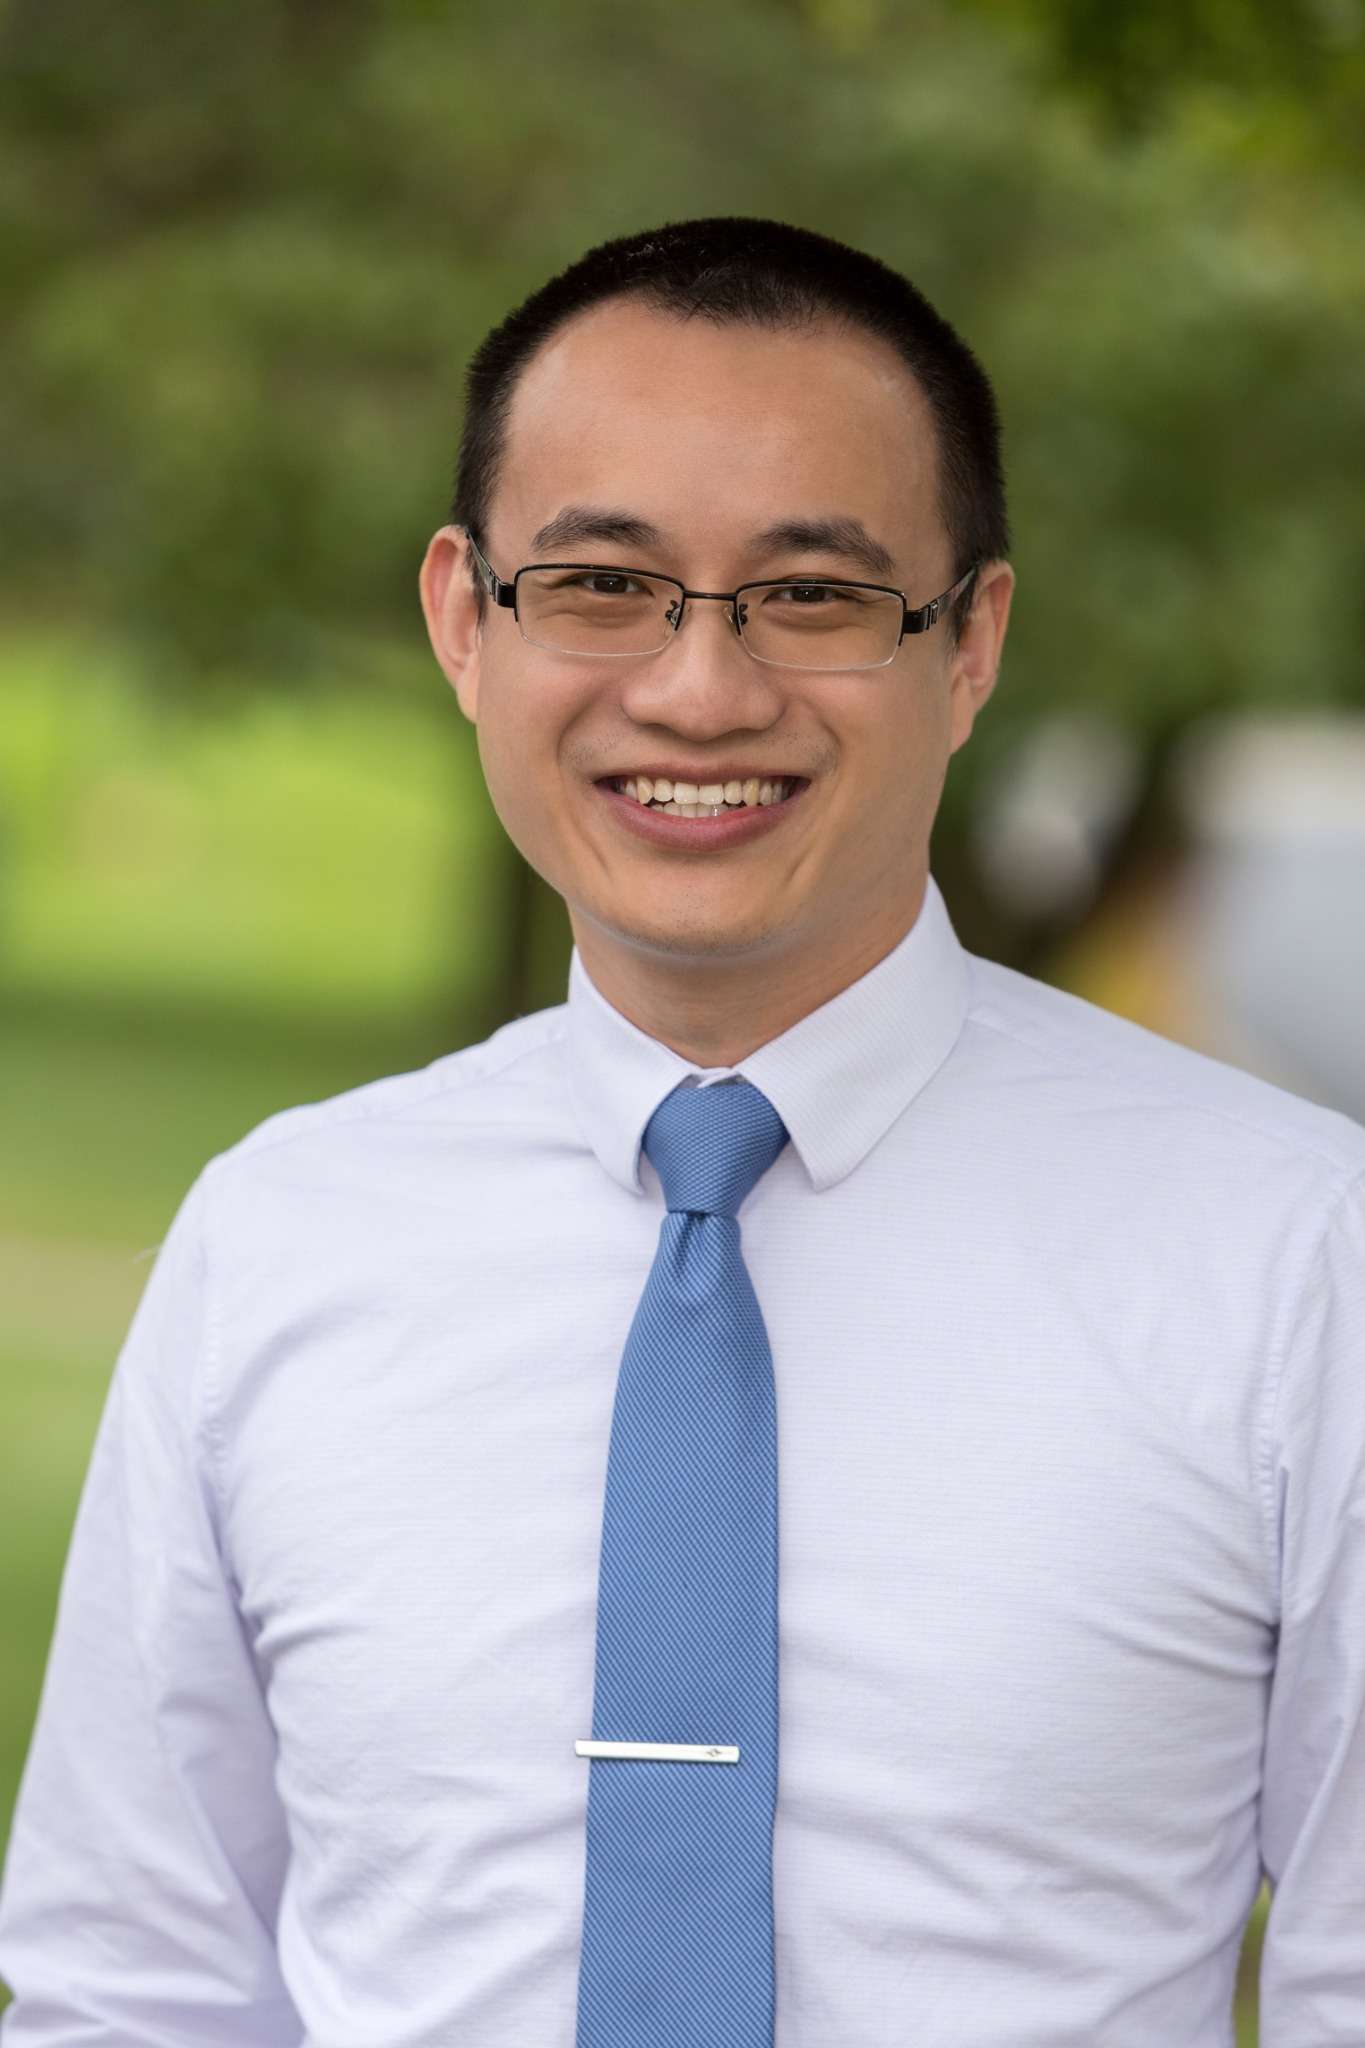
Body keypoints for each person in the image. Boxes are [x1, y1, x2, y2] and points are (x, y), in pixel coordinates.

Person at [1, 215, 1362, 2047]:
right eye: (598, 584)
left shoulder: (1294, 1257)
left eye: (810, 595)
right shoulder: (280, 1240)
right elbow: (125, 1985)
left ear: (970, 644)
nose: (698, 692)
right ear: (461, 622)